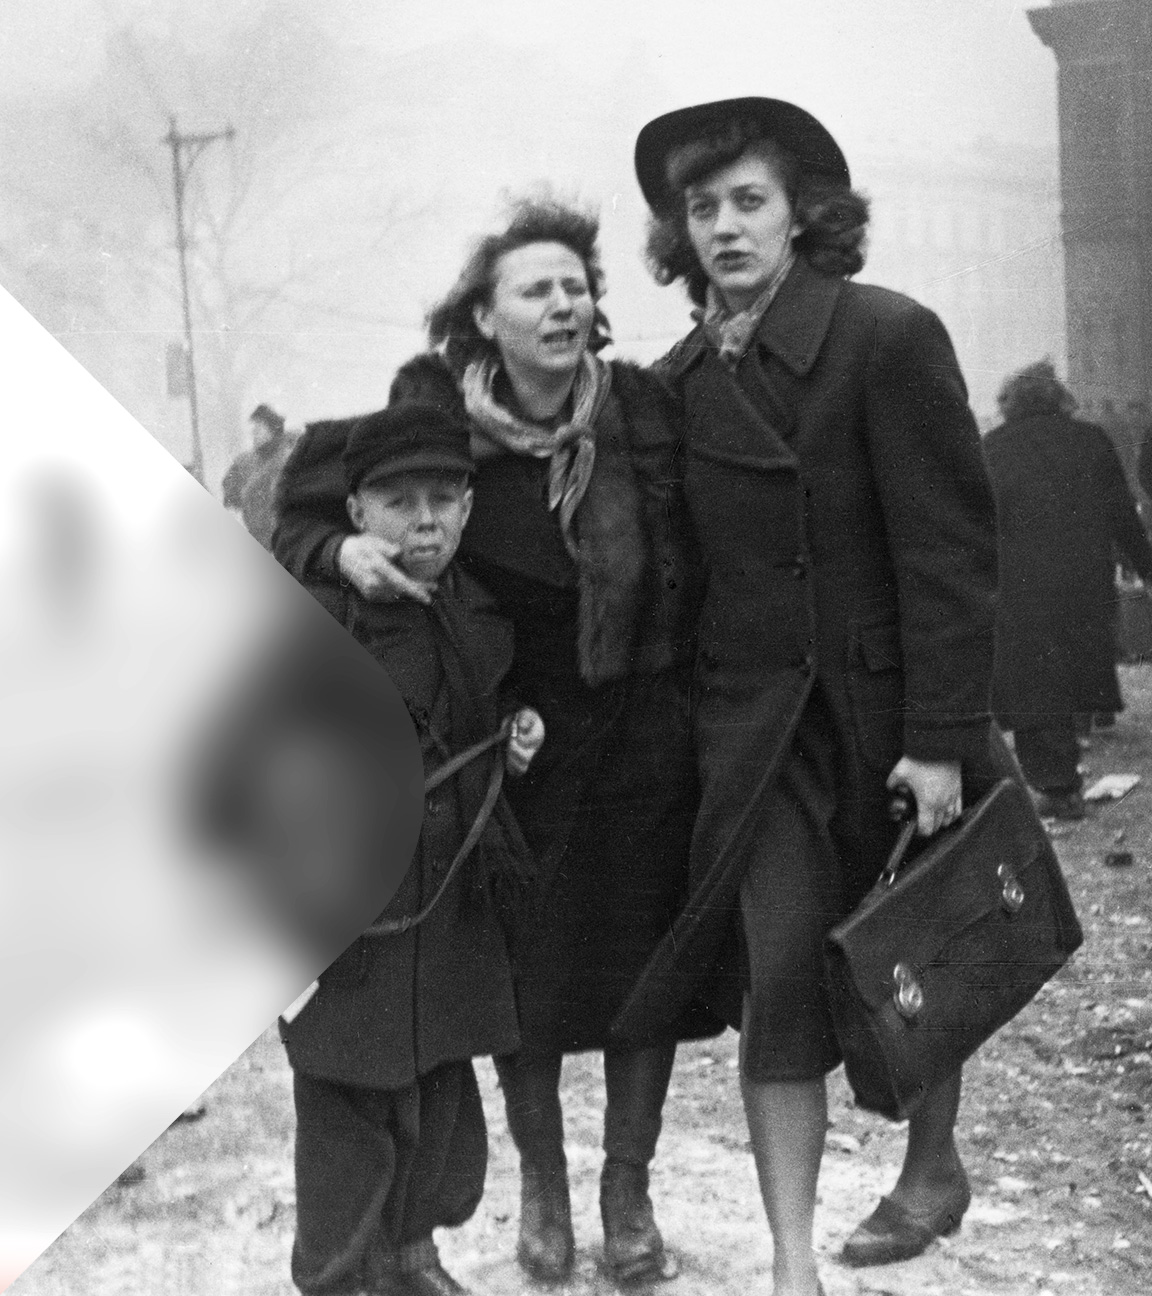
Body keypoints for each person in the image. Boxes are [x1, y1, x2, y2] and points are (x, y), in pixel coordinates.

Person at [272, 198, 720, 1285]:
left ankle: (627, 1189)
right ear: (486, 312)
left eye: (577, 285)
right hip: (508, 749)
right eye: (536, 287)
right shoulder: (434, 418)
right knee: (525, 988)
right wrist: (340, 555)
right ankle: (546, 1194)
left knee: (642, 981)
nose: (563, 303)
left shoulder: (647, 412)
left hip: (643, 745)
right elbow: (303, 515)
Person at [632, 98, 1001, 1295]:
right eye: (702, 208)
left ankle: (931, 1166)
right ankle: (793, 1263)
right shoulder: (676, 380)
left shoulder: (886, 338)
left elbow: (947, 554)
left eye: (750, 200)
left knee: (920, 946)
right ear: (680, 236)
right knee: (783, 978)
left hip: (886, 717)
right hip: (756, 738)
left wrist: (941, 740)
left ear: (802, 214)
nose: (725, 227)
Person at [269, 402, 543, 1296]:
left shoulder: (478, 613)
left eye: (443, 498)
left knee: (437, 1087)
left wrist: (516, 734)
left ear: (468, 508)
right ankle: (342, 1275)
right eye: (398, 502)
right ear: (355, 514)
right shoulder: (310, 614)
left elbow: (483, 713)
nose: (424, 520)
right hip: (351, 904)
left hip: (450, 891)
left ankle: (413, 1249)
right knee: (348, 1099)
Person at [986, 361, 1152, 820]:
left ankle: (1056, 785)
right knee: (1070, 672)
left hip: (1021, 585)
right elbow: (1123, 514)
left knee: (1031, 682)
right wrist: (1147, 568)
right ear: (1058, 397)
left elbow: (980, 522)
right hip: (1084, 580)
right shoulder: (1091, 440)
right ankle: (1062, 777)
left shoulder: (994, 448)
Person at [222, 403, 297, 548]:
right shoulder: (245, 461)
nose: (253, 433)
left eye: (258, 429)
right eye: (253, 429)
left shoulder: (289, 459)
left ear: (272, 431)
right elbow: (230, 493)